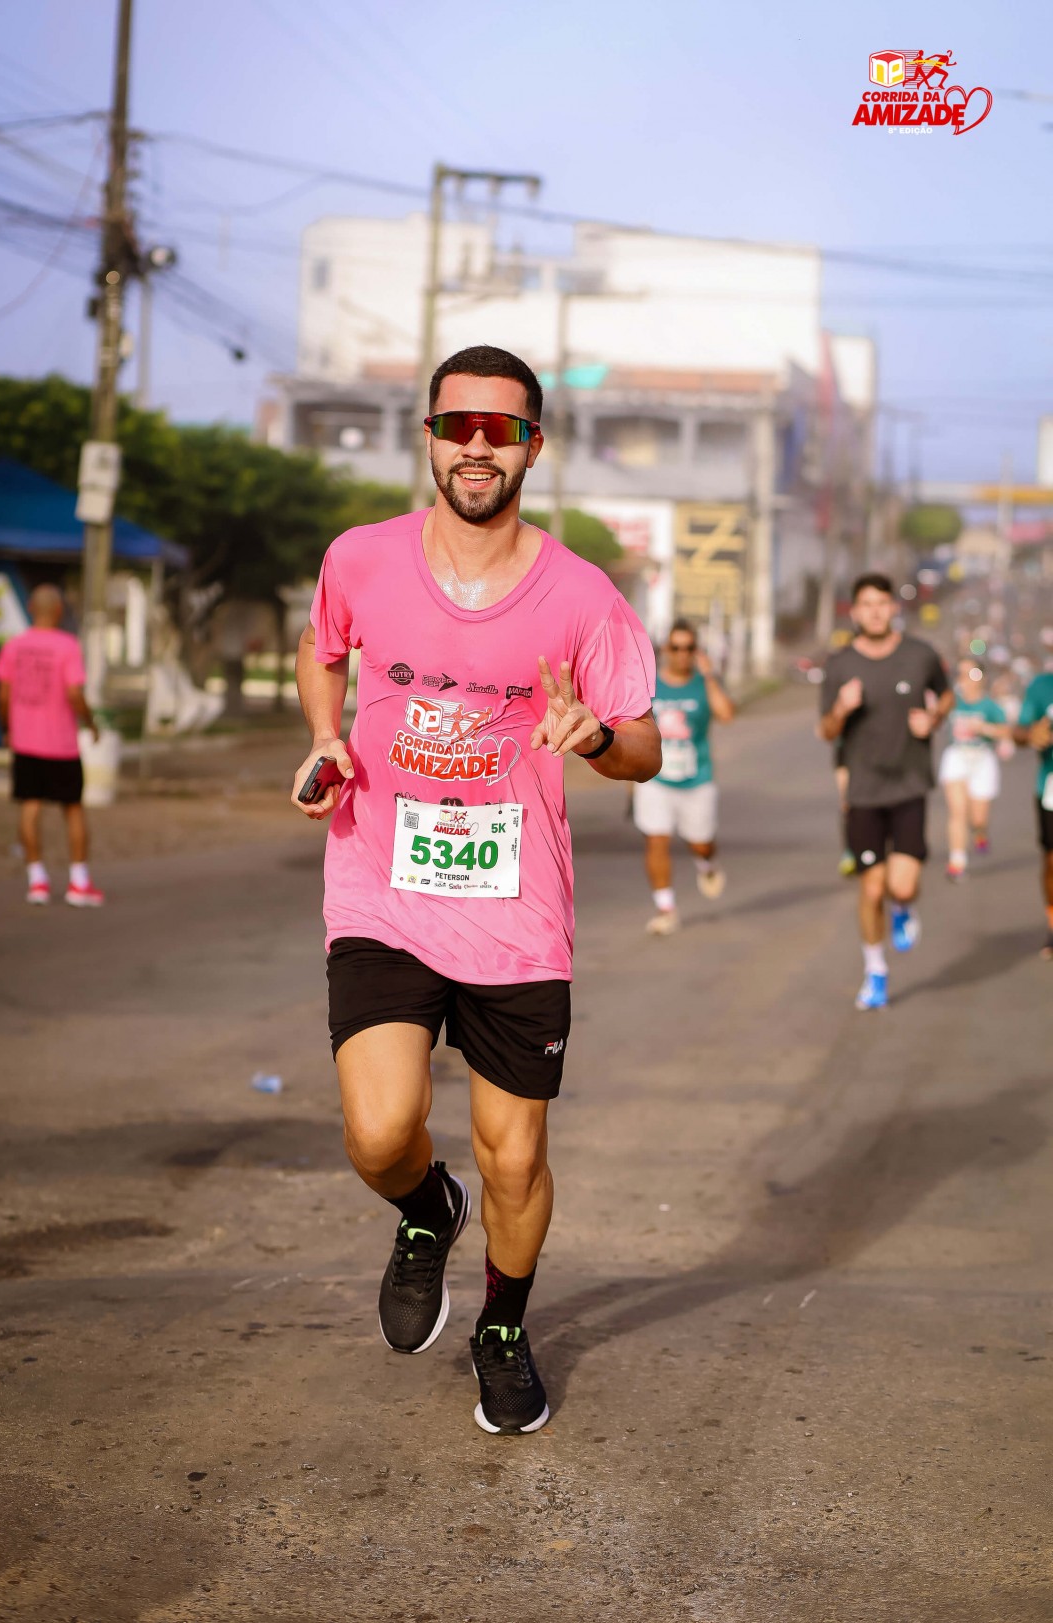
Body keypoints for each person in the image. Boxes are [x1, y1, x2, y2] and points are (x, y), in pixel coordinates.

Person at [292, 345, 660, 1434]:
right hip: (383, 887)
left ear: (534, 448)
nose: (478, 447)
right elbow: (322, 648)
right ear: (431, 438)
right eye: (460, 426)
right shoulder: (361, 557)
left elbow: (644, 746)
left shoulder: (583, 595)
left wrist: (596, 737)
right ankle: (424, 1207)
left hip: (516, 912)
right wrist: (325, 735)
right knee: (378, 1130)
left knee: (517, 1156)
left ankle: (502, 1325)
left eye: (503, 430)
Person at [818, 573, 952, 1010]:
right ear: (855, 612)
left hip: (909, 784)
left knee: (903, 886)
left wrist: (933, 720)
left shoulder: (920, 655)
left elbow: (946, 696)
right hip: (863, 791)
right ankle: (875, 972)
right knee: (871, 889)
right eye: (866, 605)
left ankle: (904, 908)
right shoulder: (840, 664)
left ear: (894, 607)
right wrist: (841, 708)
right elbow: (826, 731)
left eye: (882, 603)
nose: (875, 612)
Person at [0, 584, 104, 907]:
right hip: (61, 744)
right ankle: (79, 882)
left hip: (25, 742)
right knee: (73, 808)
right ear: (58, 611)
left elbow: (3, 695)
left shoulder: (14, 646)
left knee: (30, 806)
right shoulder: (68, 646)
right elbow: (74, 693)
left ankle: (37, 881)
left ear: (31, 608)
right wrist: (90, 722)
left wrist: (8, 728)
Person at [633, 619, 734, 934]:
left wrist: (709, 675)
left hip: (696, 779)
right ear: (665, 649)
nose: (682, 654)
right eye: (675, 647)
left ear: (696, 651)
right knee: (656, 838)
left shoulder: (703, 683)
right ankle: (666, 909)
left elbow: (726, 714)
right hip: (656, 778)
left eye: (688, 648)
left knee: (701, 843)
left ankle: (707, 863)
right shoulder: (648, 684)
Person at [938, 658, 1010, 879]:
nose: (966, 679)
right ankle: (957, 862)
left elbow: (1006, 732)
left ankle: (980, 832)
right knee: (957, 811)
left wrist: (984, 728)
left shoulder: (990, 706)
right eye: (961, 673)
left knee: (978, 819)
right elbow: (935, 713)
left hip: (982, 758)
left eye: (972, 674)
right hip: (957, 756)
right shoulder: (953, 701)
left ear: (982, 678)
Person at [1014, 667, 1053, 959]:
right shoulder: (1041, 686)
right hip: (1050, 786)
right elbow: (1019, 731)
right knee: (1051, 861)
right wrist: (1030, 735)